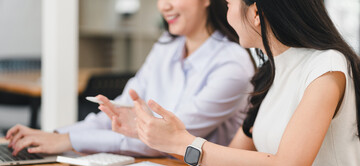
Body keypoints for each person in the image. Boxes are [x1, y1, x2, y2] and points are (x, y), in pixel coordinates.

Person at [102, 0, 360, 166]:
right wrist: (158, 136)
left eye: (228, 4)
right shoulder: (271, 72)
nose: (227, 15)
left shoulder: (326, 67)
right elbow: (232, 157)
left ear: (256, 13)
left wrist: (185, 143)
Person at [6, 0, 254, 157]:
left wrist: (67, 140)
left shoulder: (232, 64)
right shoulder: (165, 47)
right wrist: (52, 136)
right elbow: (118, 113)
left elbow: (163, 139)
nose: (163, 6)